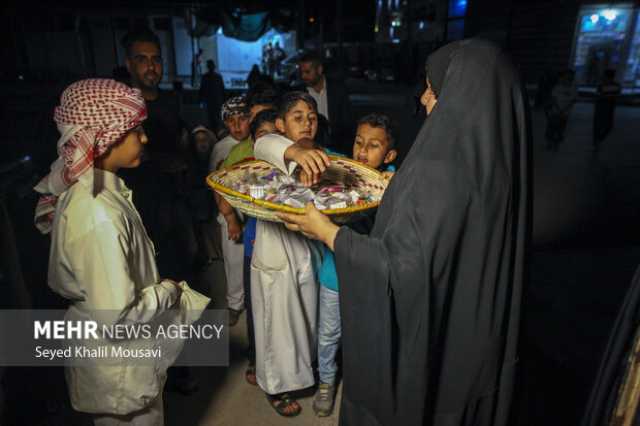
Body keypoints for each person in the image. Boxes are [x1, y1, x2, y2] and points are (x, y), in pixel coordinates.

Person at [279, 39, 531, 426]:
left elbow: (401, 271)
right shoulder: (501, 162)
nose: (426, 97)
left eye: (435, 86)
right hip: (472, 350)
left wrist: (328, 234)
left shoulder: (436, 166)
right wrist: (394, 193)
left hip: (429, 364)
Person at [33, 78, 209, 425]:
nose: (144, 138)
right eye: (135, 130)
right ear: (103, 137)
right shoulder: (98, 212)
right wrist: (167, 292)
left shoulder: (99, 191)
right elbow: (117, 316)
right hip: (116, 360)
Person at [251, 91, 332, 417]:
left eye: (311, 117)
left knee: (303, 323)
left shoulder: (317, 156)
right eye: (298, 117)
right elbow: (263, 143)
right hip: (275, 256)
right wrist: (295, 150)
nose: (307, 123)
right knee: (277, 327)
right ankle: (275, 387)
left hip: (306, 253)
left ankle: (301, 374)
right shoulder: (271, 150)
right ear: (281, 124)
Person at [313, 113, 398, 418]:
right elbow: (315, 154)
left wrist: (394, 182)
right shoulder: (340, 173)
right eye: (358, 142)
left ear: (388, 155)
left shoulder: (394, 180)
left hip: (370, 278)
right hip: (334, 276)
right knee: (328, 333)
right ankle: (326, 382)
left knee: (365, 336)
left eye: (373, 146)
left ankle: (363, 386)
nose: (362, 151)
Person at [209, 96, 251, 326]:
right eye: (230, 120)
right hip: (230, 214)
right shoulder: (221, 148)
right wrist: (229, 218)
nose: (236, 126)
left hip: (250, 211)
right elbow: (217, 185)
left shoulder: (255, 143)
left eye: (242, 119)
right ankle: (235, 304)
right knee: (234, 262)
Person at [297, 51, 353, 154]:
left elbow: (348, 122)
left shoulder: (338, 89)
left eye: (307, 72)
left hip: (338, 146)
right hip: (310, 148)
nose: (303, 76)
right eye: (301, 72)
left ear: (319, 70)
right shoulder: (299, 93)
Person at [187, 126, 221, 269]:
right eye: (198, 140)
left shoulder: (216, 156)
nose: (202, 143)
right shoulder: (190, 162)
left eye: (204, 139)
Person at [545, 69, 577, 151]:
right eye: (567, 76)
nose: (568, 78)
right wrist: (558, 109)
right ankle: (550, 142)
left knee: (560, 129)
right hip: (555, 111)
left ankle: (556, 144)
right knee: (551, 127)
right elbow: (553, 99)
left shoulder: (573, 88)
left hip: (565, 113)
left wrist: (563, 110)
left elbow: (573, 100)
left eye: (571, 77)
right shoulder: (557, 86)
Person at [593, 68, 621, 151]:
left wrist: (604, 96)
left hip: (605, 108)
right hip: (604, 107)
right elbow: (616, 96)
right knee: (604, 126)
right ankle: (597, 141)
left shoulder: (603, 85)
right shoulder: (612, 85)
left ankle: (597, 140)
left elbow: (599, 96)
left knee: (604, 126)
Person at [199, 60, 226, 133]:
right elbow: (222, 90)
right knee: (216, 119)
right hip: (216, 101)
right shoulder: (218, 77)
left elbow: (202, 90)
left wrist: (201, 99)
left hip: (211, 101)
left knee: (212, 119)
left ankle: (213, 133)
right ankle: (217, 133)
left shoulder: (205, 77)